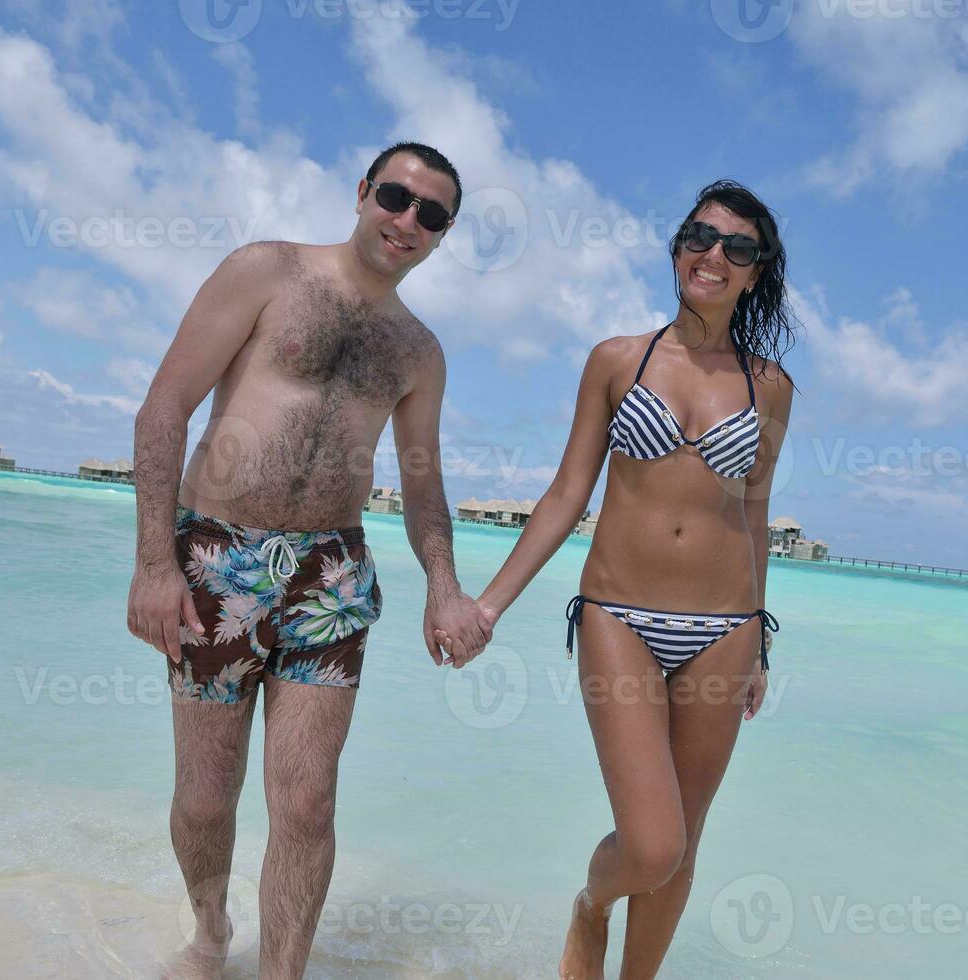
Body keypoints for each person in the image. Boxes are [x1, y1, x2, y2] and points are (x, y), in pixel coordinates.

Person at [127, 142, 493, 979]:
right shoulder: (266, 270)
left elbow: (424, 484)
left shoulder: (418, 351)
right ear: (364, 192)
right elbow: (163, 409)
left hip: (331, 574)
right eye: (397, 197)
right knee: (205, 797)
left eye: (431, 214)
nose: (408, 220)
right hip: (217, 559)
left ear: (442, 236)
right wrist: (155, 563)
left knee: (305, 801)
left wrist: (445, 585)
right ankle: (212, 932)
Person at [471, 180, 796, 979]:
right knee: (650, 844)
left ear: (756, 271)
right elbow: (564, 497)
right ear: (677, 248)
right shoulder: (618, 360)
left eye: (737, 247)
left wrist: (759, 640)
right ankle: (590, 909)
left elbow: (752, 519)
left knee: (684, 842)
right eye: (698, 236)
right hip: (618, 616)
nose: (713, 254)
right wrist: (487, 605)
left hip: (724, 630)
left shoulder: (770, 387)